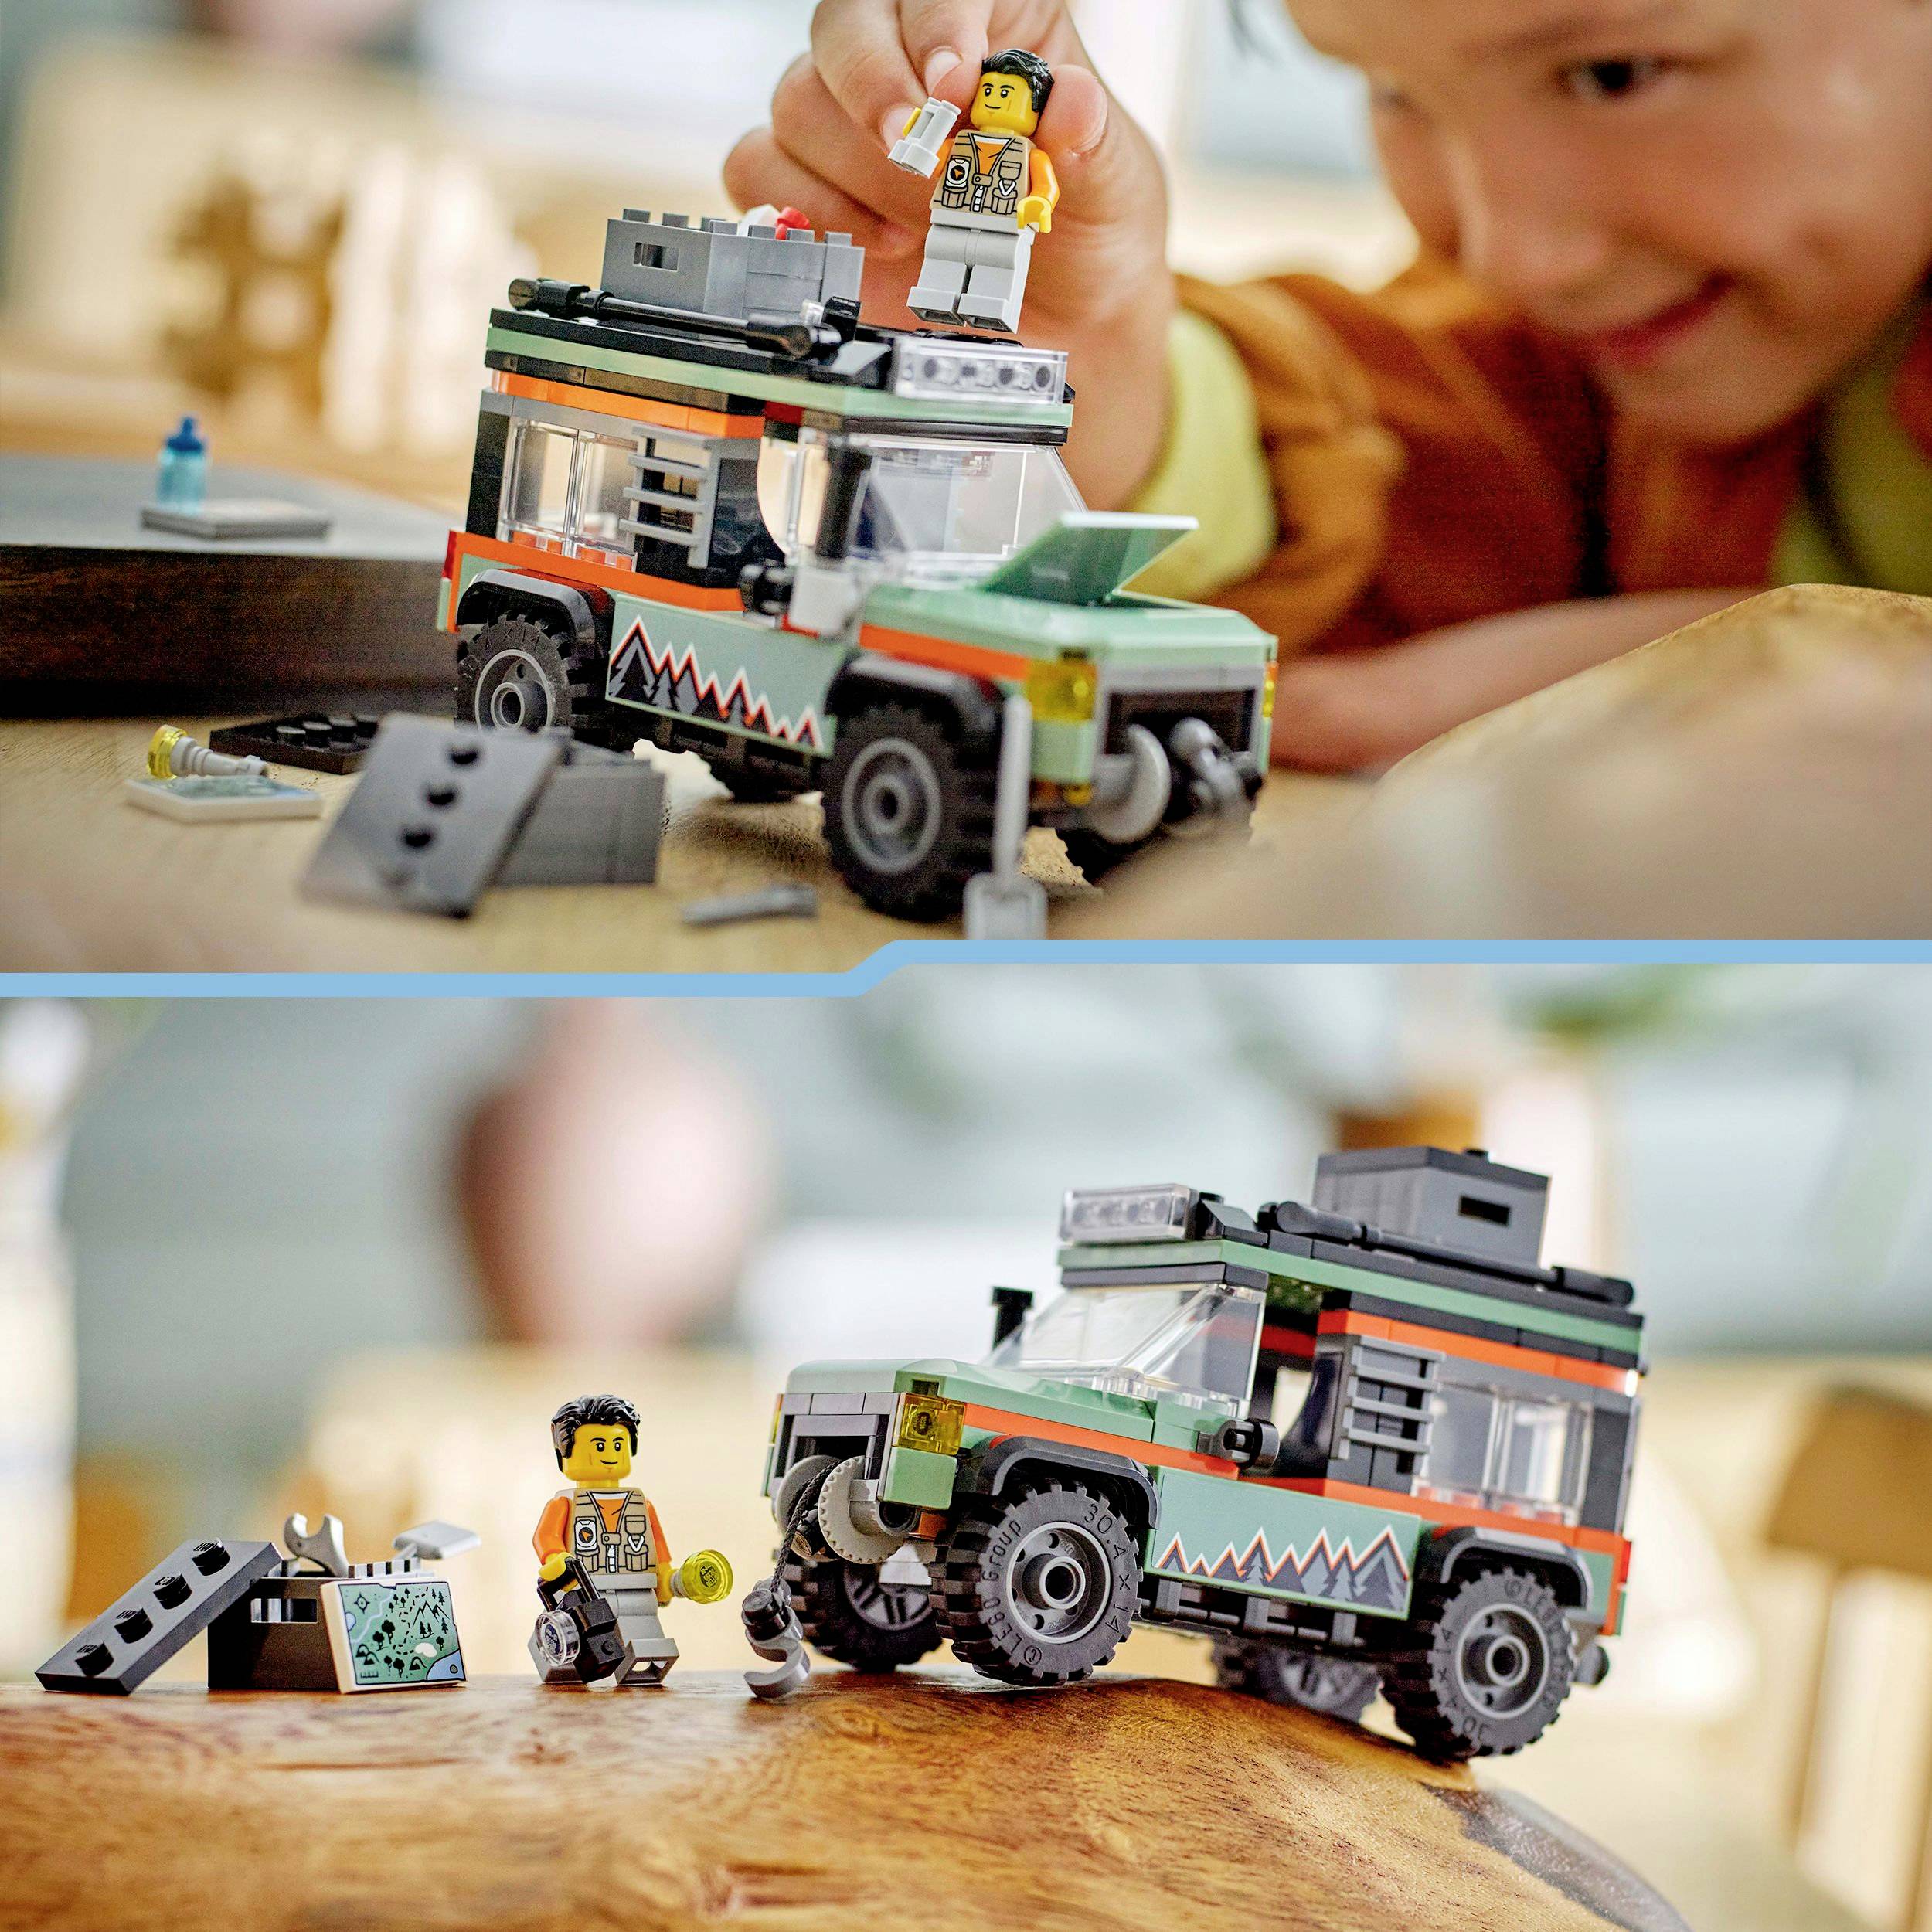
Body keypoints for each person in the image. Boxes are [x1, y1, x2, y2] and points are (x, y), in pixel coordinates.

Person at [725, 0, 1932, 768]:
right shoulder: (1588, 349)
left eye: (1615, 72)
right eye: (1394, 91)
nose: (1512, 251)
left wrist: (1762, 660)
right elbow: (1413, 431)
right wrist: (1108, 365)